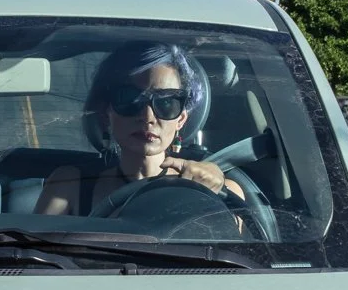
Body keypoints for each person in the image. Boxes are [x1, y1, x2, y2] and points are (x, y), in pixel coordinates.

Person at [38, 41, 245, 217]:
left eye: (166, 103)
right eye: (129, 99)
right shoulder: (69, 187)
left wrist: (211, 195)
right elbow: (36, 260)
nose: (147, 117)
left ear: (181, 119)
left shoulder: (219, 190)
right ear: (105, 112)